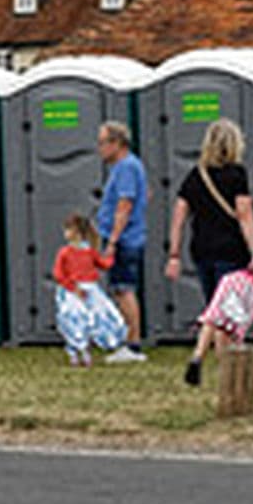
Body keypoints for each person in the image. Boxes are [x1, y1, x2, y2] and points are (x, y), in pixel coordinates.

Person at [162, 118, 253, 386]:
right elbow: (245, 215)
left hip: (202, 250)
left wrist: (174, 254)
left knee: (216, 309)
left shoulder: (195, 175)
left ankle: (215, 367)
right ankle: (213, 366)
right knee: (224, 314)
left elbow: (178, 216)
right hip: (231, 252)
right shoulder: (237, 175)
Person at [96, 121, 148, 363]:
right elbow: (146, 194)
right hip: (129, 237)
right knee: (121, 289)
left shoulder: (126, 167)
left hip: (125, 239)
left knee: (124, 290)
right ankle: (128, 341)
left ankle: (133, 344)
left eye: (102, 142)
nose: (99, 149)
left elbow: (124, 205)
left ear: (117, 143)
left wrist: (113, 241)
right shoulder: (129, 166)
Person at [52, 213, 128, 367]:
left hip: (91, 289)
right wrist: (72, 287)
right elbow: (59, 274)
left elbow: (103, 264)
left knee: (93, 318)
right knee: (74, 318)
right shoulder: (65, 253)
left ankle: (87, 351)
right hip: (73, 290)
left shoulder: (89, 252)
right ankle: (74, 352)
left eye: (68, 230)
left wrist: (110, 255)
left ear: (77, 232)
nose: (65, 233)